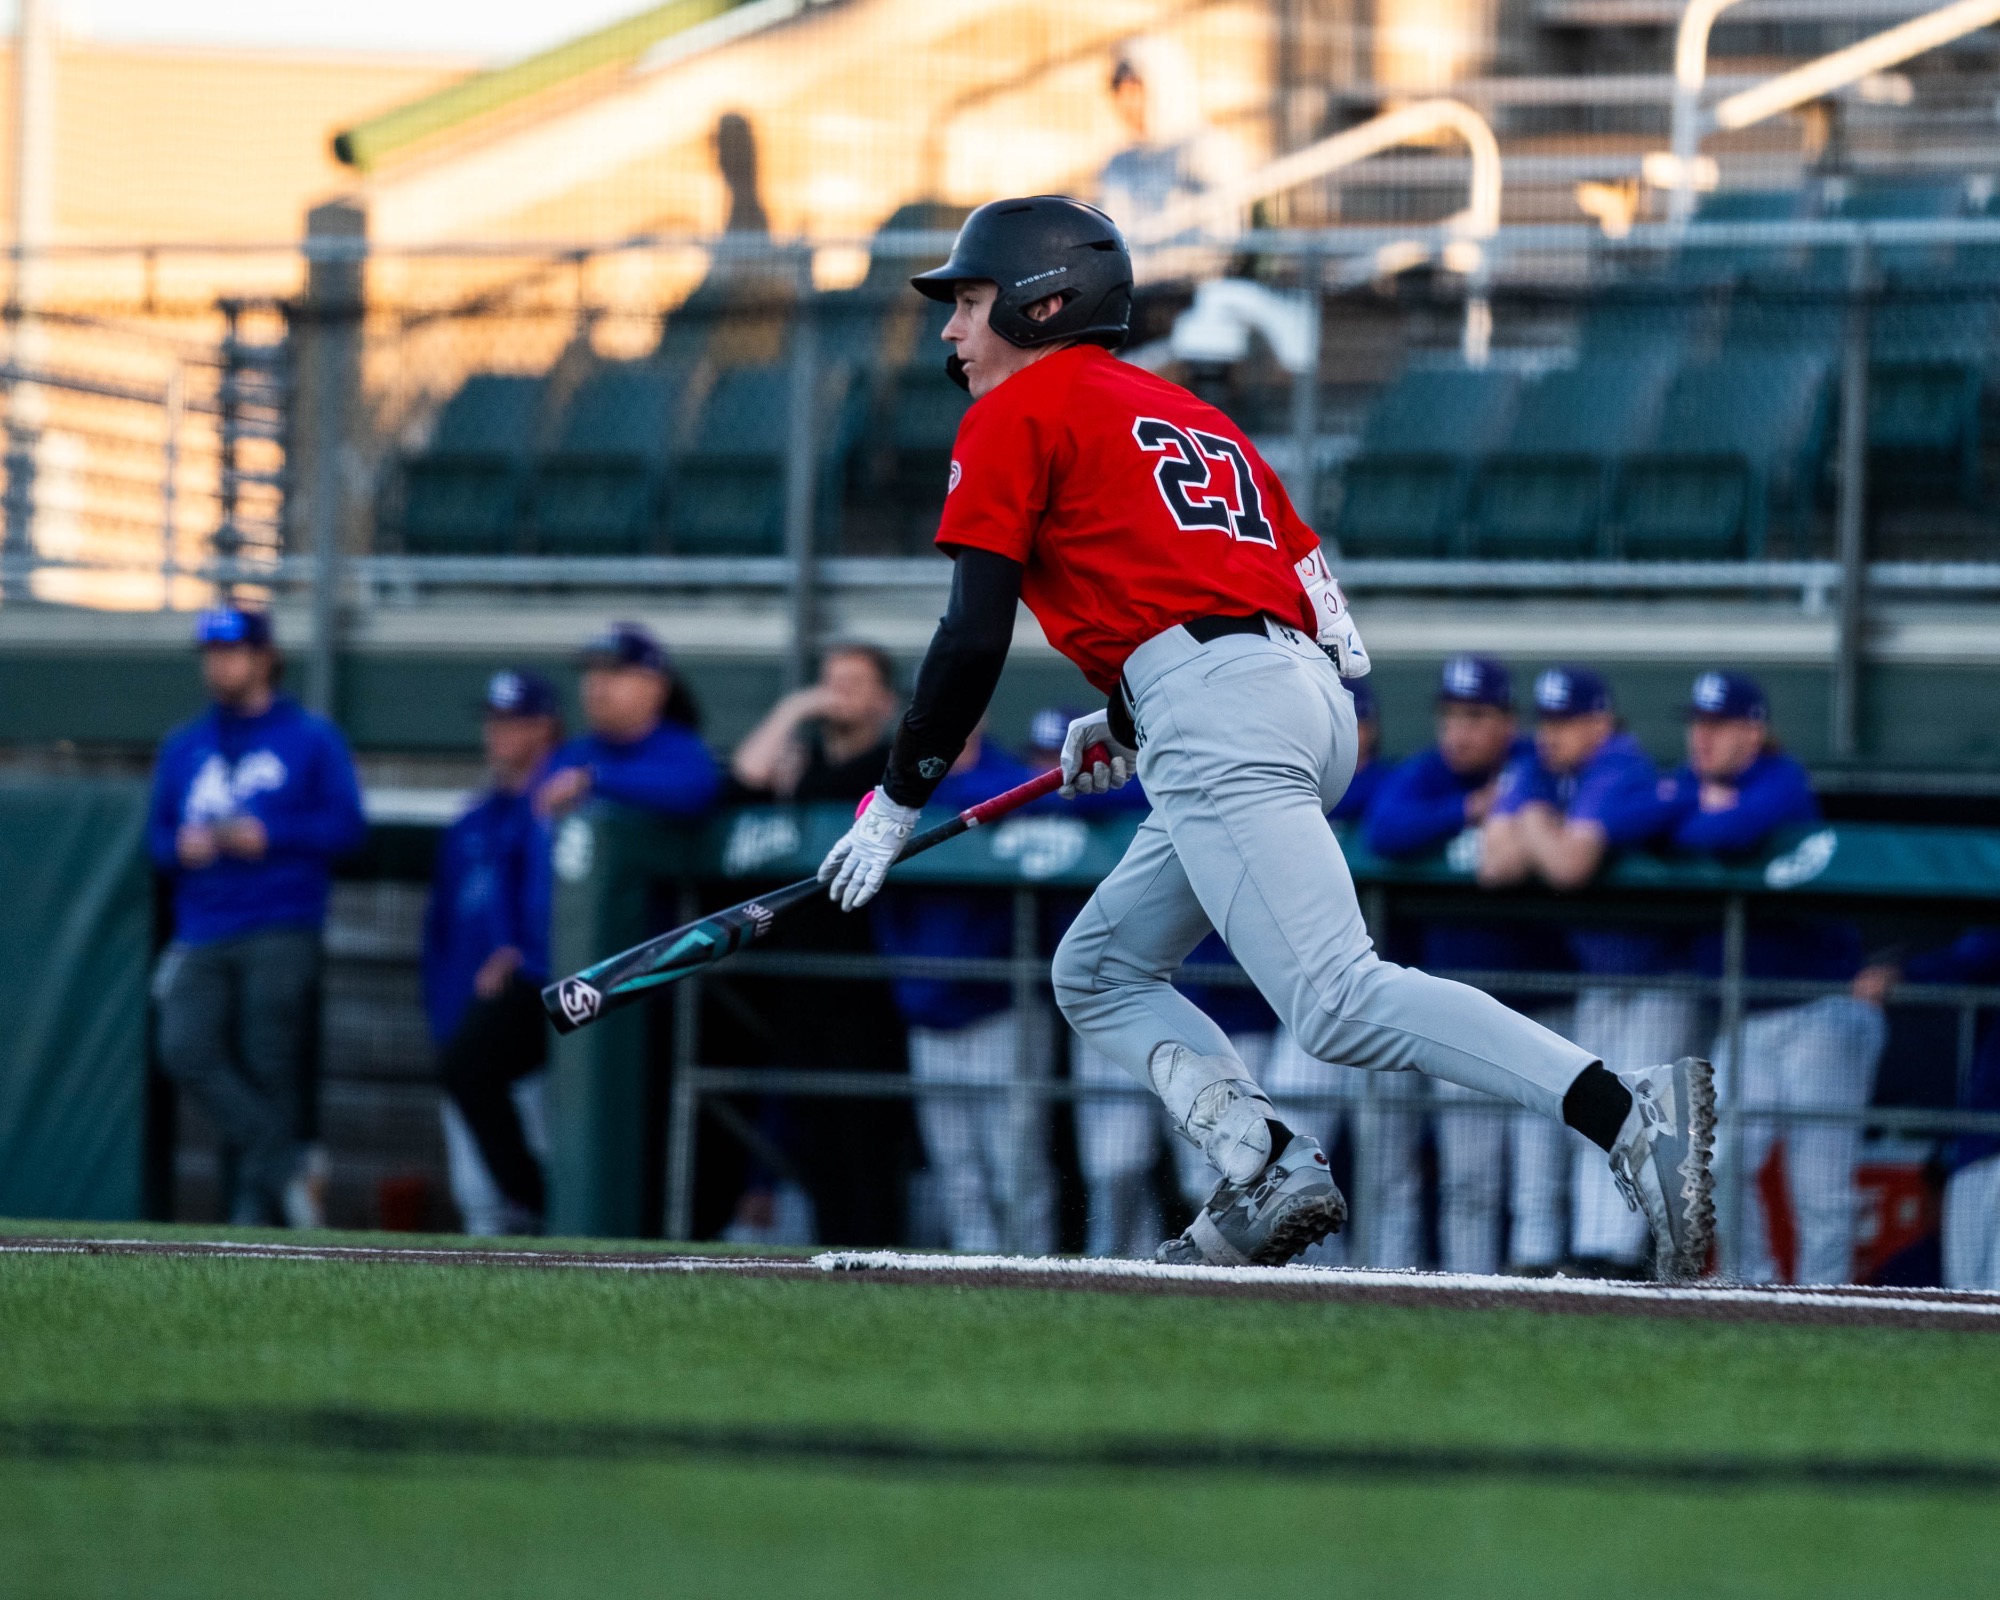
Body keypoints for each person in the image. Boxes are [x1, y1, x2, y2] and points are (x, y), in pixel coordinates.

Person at [810, 196, 1713, 1275]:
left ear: (1040, 301)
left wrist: (900, 792)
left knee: (1333, 1001)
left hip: (1220, 703)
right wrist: (1137, 709)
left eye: (965, 301)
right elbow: (1293, 605)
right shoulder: (1187, 412)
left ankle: (1623, 1110)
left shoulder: (1014, 407)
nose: (951, 329)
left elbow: (969, 637)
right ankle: (1263, 1161)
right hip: (1294, 692)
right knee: (1097, 970)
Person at [1662, 671, 1883, 1285]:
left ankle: (1827, 1303)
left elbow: (1727, 832)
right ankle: (1748, 1289)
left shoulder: (1782, 781)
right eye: (1696, 725)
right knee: (1718, 1165)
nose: (1702, 739)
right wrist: (1688, 805)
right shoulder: (1692, 783)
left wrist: (1686, 812)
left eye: (1718, 726)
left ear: (1753, 731)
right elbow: (1637, 823)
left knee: (1819, 1188)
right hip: (1748, 1016)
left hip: (1821, 1008)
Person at [148, 607, 366, 1226]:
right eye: (211, 653)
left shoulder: (311, 736)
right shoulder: (185, 743)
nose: (220, 664)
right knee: (184, 1045)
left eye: (233, 651)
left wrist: (269, 834)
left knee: (269, 1063)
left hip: (281, 919)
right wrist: (181, 846)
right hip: (203, 925)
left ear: (265, 657)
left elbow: (348, 828)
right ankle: (290, 1164)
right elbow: (156, 841)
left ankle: (254, 1221)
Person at [1363, 653, 1572, 1275]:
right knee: (1468, 1182)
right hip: (1462, 1021)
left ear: (1509, 721)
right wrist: (1467, 811)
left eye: (1476, 716)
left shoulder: (1539, 762)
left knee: (1541, 1185)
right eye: (1450, 716)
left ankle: (1558, 1308)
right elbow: (1385, 830)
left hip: (1546, 1007)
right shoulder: (1430, 774)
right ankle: (1468, 1302)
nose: (1459, 730)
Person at [1480, 666, 1687, 1275]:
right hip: (1603, 974)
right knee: (1594, 1116)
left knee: (1639, 1120)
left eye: (1567, 721)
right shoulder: (1549, 769)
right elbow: (1495, 866)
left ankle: (1619, 1258)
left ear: (1601, 721)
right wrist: (1543, 821)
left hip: (1661, 975)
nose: (1552, 734)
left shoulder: (1621, 765)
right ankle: (1589, 1256)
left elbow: (1568, 865)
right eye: (1546, 721)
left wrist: (1533, 819)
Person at [733, 643, 912, 1245]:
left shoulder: (894, 772)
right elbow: (742, 779)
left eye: (856, 683)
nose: (839, 694)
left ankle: (880, 1257)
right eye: (831, 681)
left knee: (868, 1134)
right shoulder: (798, 762)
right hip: (798, 976)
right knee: (811, 1132)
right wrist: (792, 708)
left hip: (867, 978)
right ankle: (829, 1253)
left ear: (886, 702)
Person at [871, 724, 1056, 1254]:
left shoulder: (1004, 777)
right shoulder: (898, 787)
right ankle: (972, 1273)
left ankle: (1035, 1269)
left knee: (1014, 1167)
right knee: (956, 1171)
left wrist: (932, 797)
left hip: (1001, 1011)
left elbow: (1041, 792)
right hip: (927, 1014)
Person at [423, 670, 564, 1236]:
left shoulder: (563, 805)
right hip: (472, 1019)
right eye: (494, 721)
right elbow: (438, 936)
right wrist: (444, 1021)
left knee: (546, 1182)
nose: (498, 734)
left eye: (514, 722)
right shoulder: (470, 824)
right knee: (478, 1197)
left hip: (541, 1019)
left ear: (546, 727)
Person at [1852, 931, 2000, 1289]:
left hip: (1984, 1140)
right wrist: (1898, 971)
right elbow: (1965, 960)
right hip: (1984, 1139)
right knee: (1965, 1286)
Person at [534, 623, 720, 823]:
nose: (597, 683)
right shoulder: (572, 754)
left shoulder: (681, 750)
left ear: (656, 686)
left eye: (614, 671)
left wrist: (595, 780)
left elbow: (696, 789)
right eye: (591, 671)